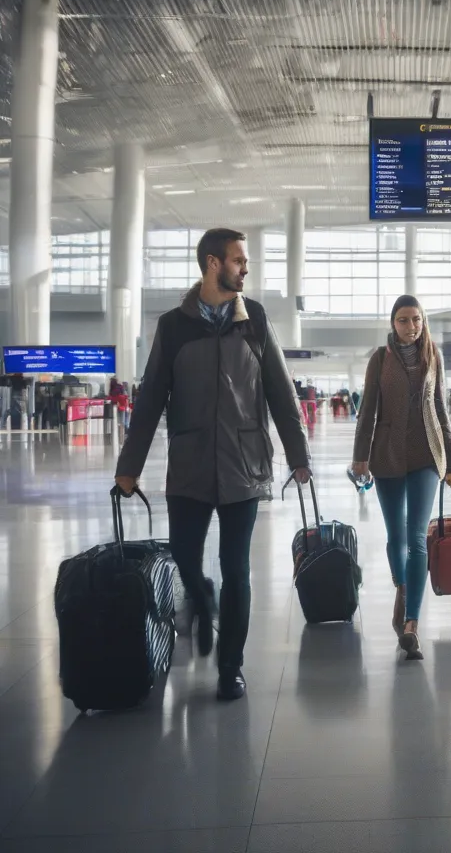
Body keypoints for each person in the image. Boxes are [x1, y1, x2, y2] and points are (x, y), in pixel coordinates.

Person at [114, 227, 310, 701]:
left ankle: (231, 667)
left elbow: (282, 395)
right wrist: (129, 465)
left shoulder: (255, 320)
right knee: (184, 555)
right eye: (238, 260)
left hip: (244, 464)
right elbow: (151, 399)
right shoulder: (173, 326)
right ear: (212, 264)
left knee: (237, 567)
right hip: (190, 463)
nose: (245, 268)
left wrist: (299, 457)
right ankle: (201, 595)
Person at [351, 295, 451, 661]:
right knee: (395, 535)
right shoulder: (380, 360)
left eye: (416, 319)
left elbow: (440, 408)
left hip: (427, 455)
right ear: (392, 323)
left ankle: (411, 622)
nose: (411, 327)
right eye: (403, 320)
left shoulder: (433, 357)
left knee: (416, 537)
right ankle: (403, 587)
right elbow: (367, 411)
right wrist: (360, 457)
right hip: (387, 456)